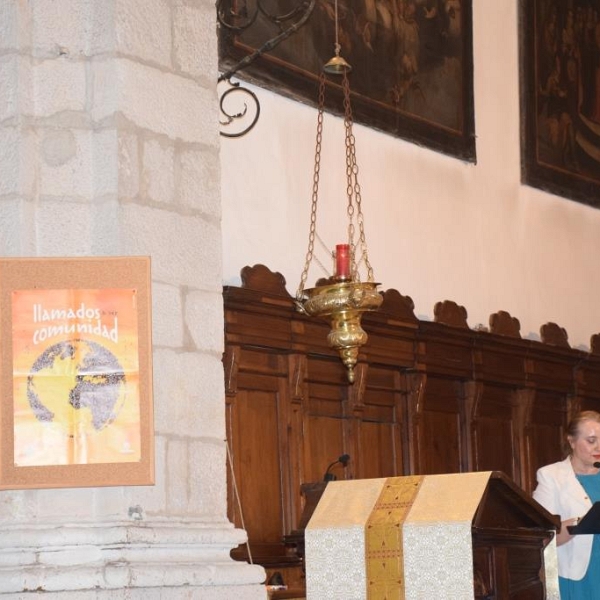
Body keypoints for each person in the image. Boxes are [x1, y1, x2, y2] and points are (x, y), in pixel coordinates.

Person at [532, 410, 600, 598]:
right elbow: (542, 535)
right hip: (577, 576)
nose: (599, 447)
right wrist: (582, 523)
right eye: (591, 441)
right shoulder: (551, 476)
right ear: (571, 441)